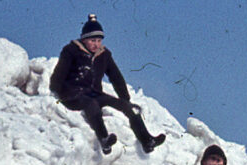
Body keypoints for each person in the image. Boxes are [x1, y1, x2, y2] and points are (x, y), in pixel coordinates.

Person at [49, 14, 166, 155]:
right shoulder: (71, 51)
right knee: (91, 104)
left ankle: (147, 141)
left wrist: (125, 99)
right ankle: (104, 140)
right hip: (73, 94)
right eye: (92, 40)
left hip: (95, 93)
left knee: (128, 107)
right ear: (84, 39)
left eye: (99, 41)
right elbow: (60, 72)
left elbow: (116, 77)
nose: (96, 44)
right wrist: (55, 92)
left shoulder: (104, 55)